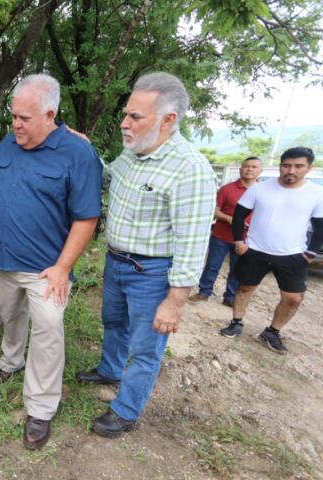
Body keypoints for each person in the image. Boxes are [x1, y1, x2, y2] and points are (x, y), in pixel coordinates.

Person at [0, 74, 102, 450]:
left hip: (48, 269)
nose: (15, 125)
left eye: (24, 118)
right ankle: (10, 361)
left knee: (47, 333)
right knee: (11, 317)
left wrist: (62, 268)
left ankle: (41, 408)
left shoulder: (78, 154)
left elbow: (86, 219)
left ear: (50, 114)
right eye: (13, 116)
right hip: (5, 259)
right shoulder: (10, 145)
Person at [74, 72, 217, 438]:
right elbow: (108, 179)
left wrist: (175, 301)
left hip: (152, 273)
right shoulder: (132, 152)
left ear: (169, 119)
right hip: (117, 262)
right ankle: (109, 369)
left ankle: (125, 410)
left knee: (145, 347)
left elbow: (193, 242)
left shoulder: (190, 169)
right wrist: (85, 149)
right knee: (113, 323)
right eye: (126, 114)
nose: (124, 123)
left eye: (135, 117)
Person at [219, 147, 323, 353]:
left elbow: (320, 226)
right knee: (244, 288)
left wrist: (311, 252)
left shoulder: (317, 193)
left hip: (293, 254)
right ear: (280, 166)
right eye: (286, 165)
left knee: (293, 298)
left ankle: (272, 331)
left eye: (298, 166)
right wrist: (239, 242)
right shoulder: (260, 188)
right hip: (255, 250)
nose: (291, 170)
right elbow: (239, 216)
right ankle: (236, 322)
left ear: (309, 168)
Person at [189, 157, 262, 307]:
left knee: (237, 268)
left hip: (246, 239)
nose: (249, 169)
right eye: (246, 166)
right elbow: (214, 211)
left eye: (254, 167)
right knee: (212, 265)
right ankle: (204, 291)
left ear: (260, 171)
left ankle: (230, 296)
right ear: (241, 169)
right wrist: (231, 220)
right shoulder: (227, 189)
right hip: (221, 236)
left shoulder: (263, 191)